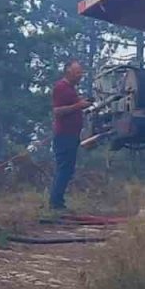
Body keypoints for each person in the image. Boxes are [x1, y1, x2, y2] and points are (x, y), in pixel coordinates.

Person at [48, 59, 91, 211]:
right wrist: (78, 106)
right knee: (64, 168)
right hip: (64, 135)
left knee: (68, 169)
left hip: (71, 135)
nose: (80, 75)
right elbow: (57, 111)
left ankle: (57, 201)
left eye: (81, 72)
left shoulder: (71, 89)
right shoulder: (61, 87)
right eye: (78, 72)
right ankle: (55, 203)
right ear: (68, 72)